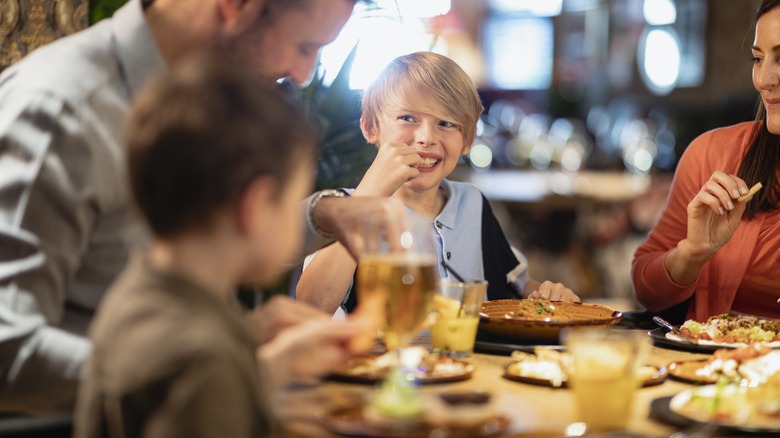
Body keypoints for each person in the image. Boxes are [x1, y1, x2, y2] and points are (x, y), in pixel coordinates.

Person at [0, 0, 403, 413]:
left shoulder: (197, 99)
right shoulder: (61, 111)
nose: (302, 76)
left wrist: (238, 340)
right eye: (304, 45)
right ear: (236, 7)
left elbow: (212, 241)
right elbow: (6, 349)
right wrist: (224, 370)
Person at [73, 53, 371, 438]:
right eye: (293, 198)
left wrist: (266, 363)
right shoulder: (204, 358)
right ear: (256, 206)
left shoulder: (144, 290)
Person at [296, 52, 580, 317]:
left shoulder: (472, 204)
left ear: (467, 140)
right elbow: (311, 306)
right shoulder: (341, 209)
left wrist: (546, 294)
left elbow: (517, 284)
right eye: (407, 118)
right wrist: (366, 197)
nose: (426, 138)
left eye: (446, 123)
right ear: (371, 128)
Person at [632, 0, 780, 322]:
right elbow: (646, 288)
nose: (764, 79)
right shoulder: (712, 156)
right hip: (718, 367)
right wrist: (693, 251)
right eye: (758, 59)